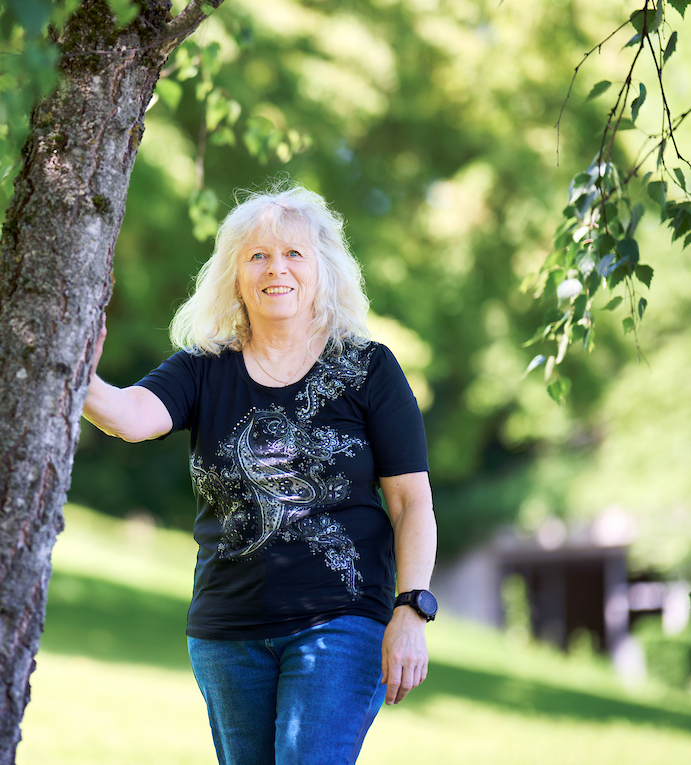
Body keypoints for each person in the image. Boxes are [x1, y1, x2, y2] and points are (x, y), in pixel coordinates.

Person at [83, 182, 437, 765]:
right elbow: (131, 417)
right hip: (228, 630)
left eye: (294, 254)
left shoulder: (367, 368)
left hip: (340, 621)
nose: (278, 269)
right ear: (236, 276)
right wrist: (77, 369)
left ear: (323, 268)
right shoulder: (204, 368)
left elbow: (411, 505)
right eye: (259, 256)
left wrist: (412, 610)